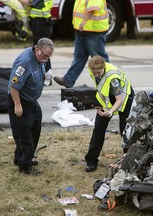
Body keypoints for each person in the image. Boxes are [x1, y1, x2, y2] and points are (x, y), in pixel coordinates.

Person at [7, 37, 54, 175]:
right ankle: (25, 166)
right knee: (24, 133)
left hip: (31, 100)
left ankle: (21, 157)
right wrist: (17, 105)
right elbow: (14, 86)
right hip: (20, 99)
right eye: (44, 55)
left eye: (49, 56)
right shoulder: (25, 62)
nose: (46, 59)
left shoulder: (40, 58)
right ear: (37, 49)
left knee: (35, 128)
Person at [85, 56, 134, 172]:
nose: (96, 75)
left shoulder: (113, 79)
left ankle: (129, 159)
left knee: (125, 130)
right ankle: (91, 160)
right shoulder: (93, 68)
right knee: (98, 129)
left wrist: (110, 112)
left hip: (123, 96)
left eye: (98, 72)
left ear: (103, 67)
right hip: (106, 97)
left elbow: (119, 100)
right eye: (94, 73)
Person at [53, 0, 109, 88]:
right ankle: (68, 80)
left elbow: (92, 9)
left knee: (99, 60)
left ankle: (107, 82)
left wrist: (84, 21)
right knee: (79, 57)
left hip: (93, 31)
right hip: (82, 31)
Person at [19, 0, 53, 85]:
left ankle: (45, 76)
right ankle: (46, 75)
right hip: (44, 20)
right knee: (44, 49)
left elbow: (29, 2)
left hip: (39, 21)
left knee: (40, 50)